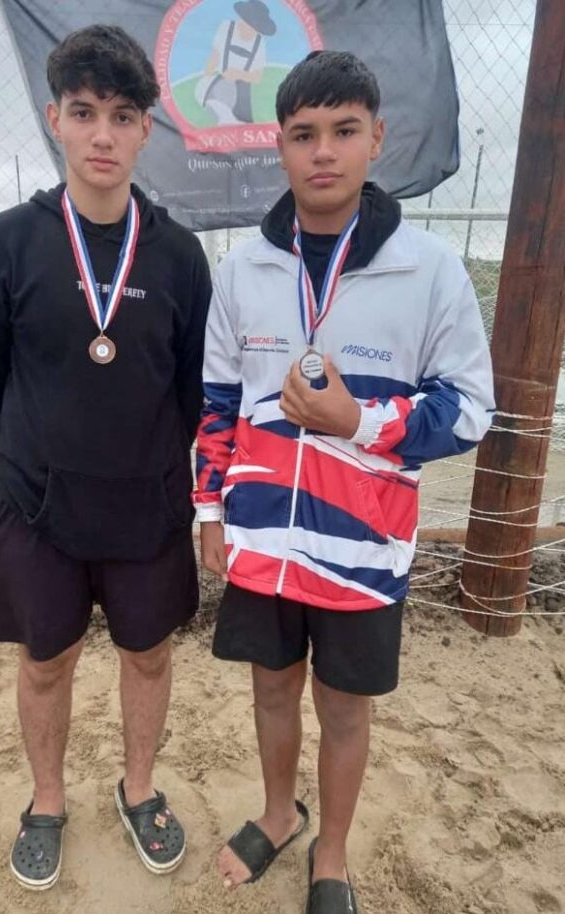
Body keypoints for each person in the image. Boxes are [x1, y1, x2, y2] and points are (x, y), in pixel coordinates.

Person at [195, 50, 494, 913]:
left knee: (347, 708)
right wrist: (211, 508)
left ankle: (332, 853)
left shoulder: (428, 268)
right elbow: (217, 401)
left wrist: (358, 424)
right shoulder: (244, 268)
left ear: (376, 140)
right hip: (262, 540)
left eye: (344, 131)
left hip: (362, 546)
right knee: (271, 688)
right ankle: (278, 814)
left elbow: (471, 409)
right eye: (303, 135)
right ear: (280, 149)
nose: (323, 152)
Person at [0, 24, 211, 891]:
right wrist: (35, 458)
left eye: (122, 115)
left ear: (146, 130)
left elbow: (190, 388)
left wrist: (144, 464)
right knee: (45, 661)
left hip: (146, 508)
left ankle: (139, 789)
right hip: (38, 507)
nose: (103, 134)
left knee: (149, 655)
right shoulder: (4, 243)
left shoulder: (178, 256)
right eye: (84, 112)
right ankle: (47, 802)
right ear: (55, 120)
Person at [196, 0, 276, 124]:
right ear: (243, 20)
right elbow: (214, 57)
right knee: (216, 111)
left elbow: (257, 77)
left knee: (243, 125)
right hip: (219, 82)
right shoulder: (226, 28)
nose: (252, 31)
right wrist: (206, 78)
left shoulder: (259, 43)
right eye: (250, 25)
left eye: (256, 29)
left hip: (242, 91)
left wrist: (239, 74)